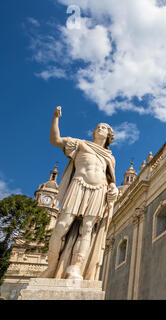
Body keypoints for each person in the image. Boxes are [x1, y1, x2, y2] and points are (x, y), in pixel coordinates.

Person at [40, 106, 119, 281]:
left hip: (99, 190)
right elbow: (55, 140)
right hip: (78, 185)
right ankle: (52, 267)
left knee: (88, 230)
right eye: (98, 126)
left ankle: (75, 268)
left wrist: (113, 188)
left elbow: (111, 179)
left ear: (109, 136)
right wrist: (55, 118)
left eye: (104, 127)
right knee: (61, 226)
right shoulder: (80, 144)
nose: (100, 128)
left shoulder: (110, 157)